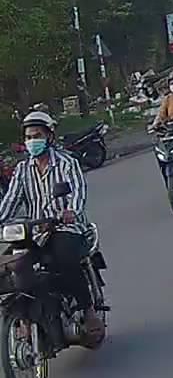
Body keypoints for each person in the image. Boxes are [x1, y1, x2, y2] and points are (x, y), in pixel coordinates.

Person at [0, 110, 103, 346]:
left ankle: (88, 310)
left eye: (37, 135)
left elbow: (78, 192)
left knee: (64, 260)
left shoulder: (67, 163)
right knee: (13, 266)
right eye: (28, 137)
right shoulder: (22, 170)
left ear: (49, 136)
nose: (32, 141)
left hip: (65, 228)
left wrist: (71, 211)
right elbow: (9, 203)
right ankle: (25, 317)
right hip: (35, 232)